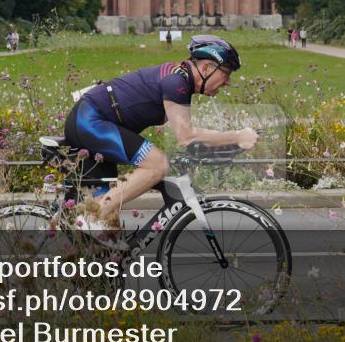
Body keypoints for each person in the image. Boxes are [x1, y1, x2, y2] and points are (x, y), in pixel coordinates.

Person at [65, 35, 257, 247]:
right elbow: (187, 136)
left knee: (108, 240)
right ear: (205, 67)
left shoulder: (180, 78)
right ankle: (90, 218)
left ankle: (96, 272)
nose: (228, 82)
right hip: (89, 120)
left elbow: (185, 134)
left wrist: (221, 145)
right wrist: (237, 136)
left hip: (96, 123)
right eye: (226, 73)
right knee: (157, 164)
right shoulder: (177, 82)